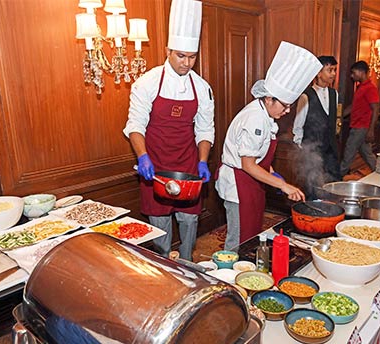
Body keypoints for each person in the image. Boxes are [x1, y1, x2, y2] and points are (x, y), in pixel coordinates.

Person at [122, 0, 214, 261]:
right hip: (156, 164)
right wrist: (142, 157)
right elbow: (135, 125)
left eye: (192, 57)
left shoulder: (202, 87)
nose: (187, 63)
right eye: (180, 56)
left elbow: (205, 128)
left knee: (189, 221)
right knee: (159, 227)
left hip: (187, 163)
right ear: (168, 51)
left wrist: (203, 161)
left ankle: (186, 264)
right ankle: (163, 266)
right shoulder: (147, 82)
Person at [216, 41, 315, 250]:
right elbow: (249, 165)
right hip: (239, 183)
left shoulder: (266, 115)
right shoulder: (255, 119)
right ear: (269, 99)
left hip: (251, 183)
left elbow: (260, 156)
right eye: (285, 105)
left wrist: (273, 174)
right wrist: (282, 185)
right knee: (239, 239)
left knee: (251, 234)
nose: (287, 111)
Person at [292, 56, 342, 199]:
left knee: (333, 183)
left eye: (334, 70)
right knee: (313, 186)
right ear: (318, 73)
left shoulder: (334, 94)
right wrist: (302, 149)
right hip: (312, 150)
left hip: (331, 149)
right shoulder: (306, 96)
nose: (333, 74)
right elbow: (298, 126)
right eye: (329, 70)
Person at [339, 61, 380, 176]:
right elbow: (353, 106)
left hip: (361, 127)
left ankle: (338, 177)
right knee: (367, 154)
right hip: (358, 126)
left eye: (353, 73)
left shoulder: (370, 88)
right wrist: (339, 116)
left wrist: (371, 130)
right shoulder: (360, 87)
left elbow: (375, 108)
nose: (352, 76)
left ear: (361, 72)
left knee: (348, 152)